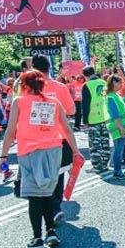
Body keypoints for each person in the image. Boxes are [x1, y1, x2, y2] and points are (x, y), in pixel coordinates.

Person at [0, 69, 79, 248]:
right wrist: (75, 151)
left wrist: (2, 156)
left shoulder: (19, 102)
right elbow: (66, 129)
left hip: (29, 152)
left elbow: (11, 131)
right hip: (54, 151)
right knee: (46, 193)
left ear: (24, 85)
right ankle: (50, 231)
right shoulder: (54, 102)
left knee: (34, 197)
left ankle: (37, 238)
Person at [32, 54, 77, 222]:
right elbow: (72, 110)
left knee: (40, 173)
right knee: (58, 172)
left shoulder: (26, 88)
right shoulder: (59, 87)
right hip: (59, 137)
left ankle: (47, 208)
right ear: (49, 68)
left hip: (35, 139)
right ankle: (55, 206)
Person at [80, 66, 111, 173]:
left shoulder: (87, 85)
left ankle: (98, 166)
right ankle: (106, 163)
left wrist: (85, 121)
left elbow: (85, 105)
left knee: (95, 144)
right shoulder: (103, 82)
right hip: (105, 117)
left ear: (85, 76)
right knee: (105, 142)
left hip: (93, 119)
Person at [106, 75, 125, 179]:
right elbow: (115, 115)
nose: (121, 85)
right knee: (118, 151)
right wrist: (121, 128)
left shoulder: (115, 95)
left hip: (123, 128)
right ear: (113, 83)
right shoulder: (110, 97)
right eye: (119, 83)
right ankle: (117, 172)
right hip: (118, 128)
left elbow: (123, 105)